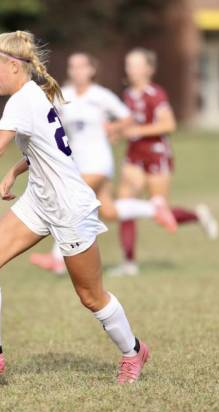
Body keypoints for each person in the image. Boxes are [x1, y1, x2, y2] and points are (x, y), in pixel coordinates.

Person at [0, 31, 149, 384]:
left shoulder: (23, 100)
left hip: (70, 208)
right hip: (40, 201)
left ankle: (133, 352)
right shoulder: (32, 96)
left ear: (13, 66)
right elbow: (42, 149)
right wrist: (15, 170)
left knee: (91, 296)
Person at [29, 52, 176, 274]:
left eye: (81, 66)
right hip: (77, 162)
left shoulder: (102, 95)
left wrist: (114, 129)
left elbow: (127, 118)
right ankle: (153, 209)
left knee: (70, 200)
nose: (77, 71)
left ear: (91, 70)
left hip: (98, 161)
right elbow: (48, 119)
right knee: (108, 210)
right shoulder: (63, 95)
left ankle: (56, 258)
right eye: (72, 67)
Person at [109, 48, 219, 277]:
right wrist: (116, 133)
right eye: (128, 64)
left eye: (135, 65)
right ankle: (129, 263)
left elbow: (169, 125)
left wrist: (137, 130)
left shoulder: (155, 94)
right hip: (134, 155)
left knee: (160, 211)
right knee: (125, 205)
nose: (130, 69)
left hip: (157, 155)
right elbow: (127, 126)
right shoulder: (128, 94)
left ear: (148, 69)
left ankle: (198, 217)